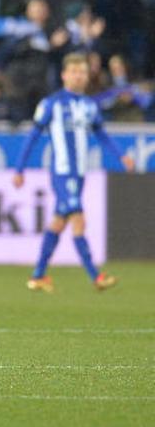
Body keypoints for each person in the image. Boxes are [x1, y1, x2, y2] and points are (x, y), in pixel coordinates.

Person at [13, 52, 135, 293]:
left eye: (83, 72)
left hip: (79, 174)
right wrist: (19, 169)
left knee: (59, 222)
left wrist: (120, 155)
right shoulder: (51, 104)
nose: (79, 77)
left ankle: (38, 275)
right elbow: (32, 137)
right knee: (79, 219)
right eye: (75, 72)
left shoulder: (89, 106)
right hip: (62, 172)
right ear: (64, 75)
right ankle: (95, 276)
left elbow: (101, 134)